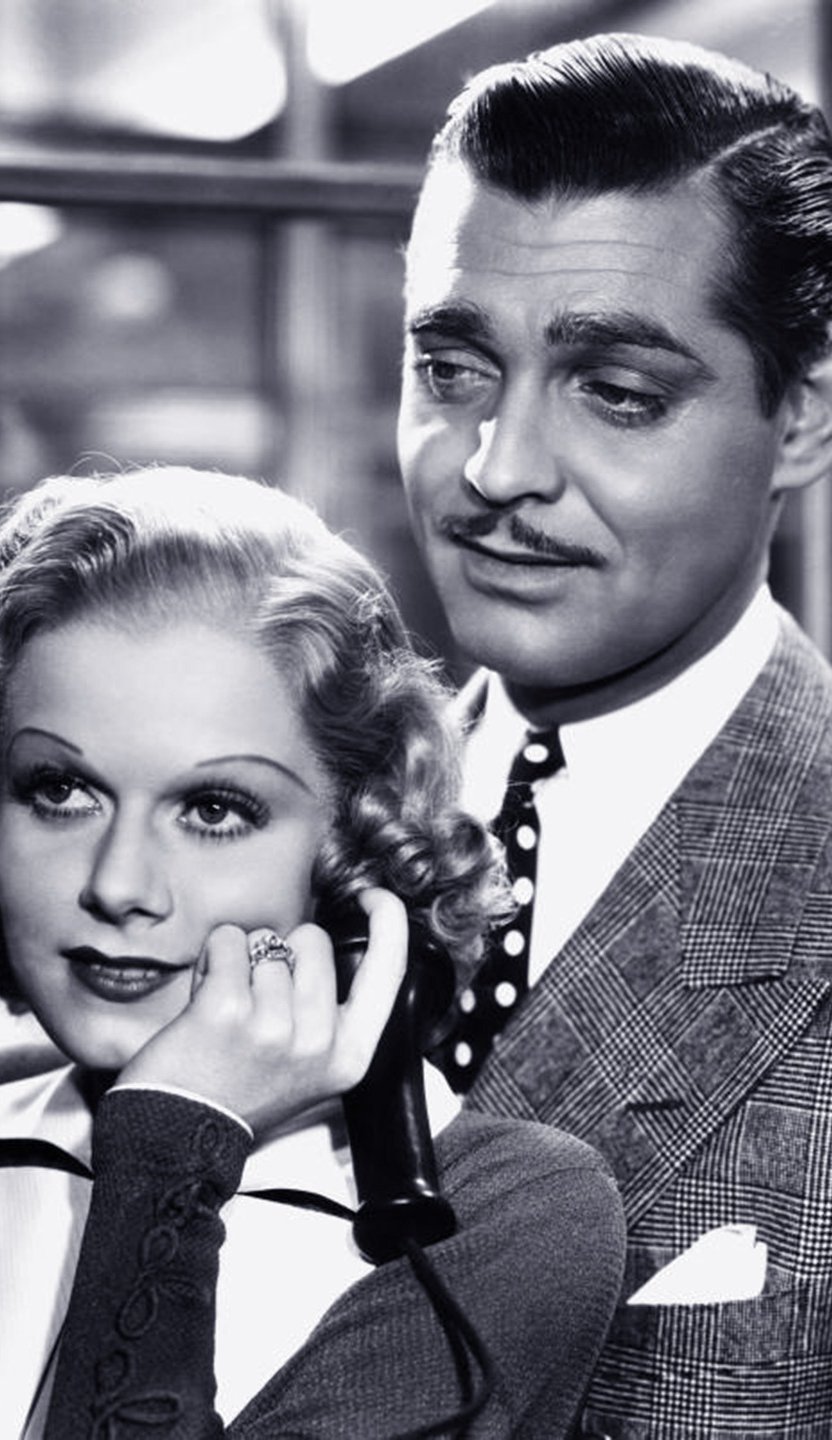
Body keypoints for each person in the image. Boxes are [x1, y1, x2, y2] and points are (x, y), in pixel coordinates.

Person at [0, 466, 625, 1440]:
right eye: (60, 791)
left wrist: (175, 1141)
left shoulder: (502, 1212)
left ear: (352, 849)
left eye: (214, 809)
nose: (119, 885)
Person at [396, 29, 832, 1440]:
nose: (497, 469)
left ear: (803, 418)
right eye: (453, 369)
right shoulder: (272, 831)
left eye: (619, 394)